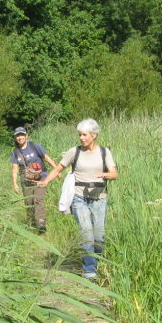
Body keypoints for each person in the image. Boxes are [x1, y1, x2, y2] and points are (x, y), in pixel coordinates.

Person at [38, 119, 118, 279]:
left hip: (99, 198)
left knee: (99, 236)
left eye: (84, 135)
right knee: (87, 234)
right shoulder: (74, 152)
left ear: (94, 135)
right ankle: (89, 271)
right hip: (79, 197)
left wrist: (106, 175)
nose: (81, 138)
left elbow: (114, 173)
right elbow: (59, 168)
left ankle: (98, 264)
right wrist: (46, 181)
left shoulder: (104, 152)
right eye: (80, 134)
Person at [10, 126, 58, 233]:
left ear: (26, 136)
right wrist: (15, 184)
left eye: (22, 135)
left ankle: (40, 223)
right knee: (29, 202)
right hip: (26, 181)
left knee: (38, 199)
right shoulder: (15, 152)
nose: (20, 137)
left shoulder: (34, 145)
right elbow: (14, 169)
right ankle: (31, 223)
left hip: (41, 178)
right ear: (15, 138)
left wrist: (56, 169)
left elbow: (46, 157)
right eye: (17, 135)